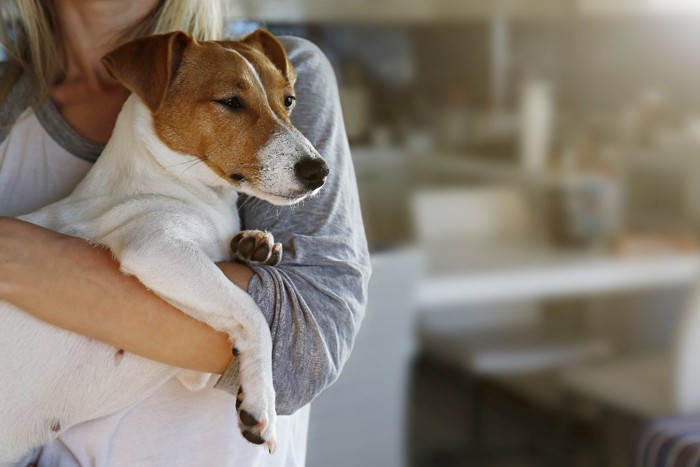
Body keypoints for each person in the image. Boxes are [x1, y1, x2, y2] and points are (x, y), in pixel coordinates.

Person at [0, 0, 370, 465]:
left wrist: (22, 261)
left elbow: (304, 351)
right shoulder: (9, 106)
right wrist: (232, 296)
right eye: (233, 104)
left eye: (286, 104)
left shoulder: (278, 65)